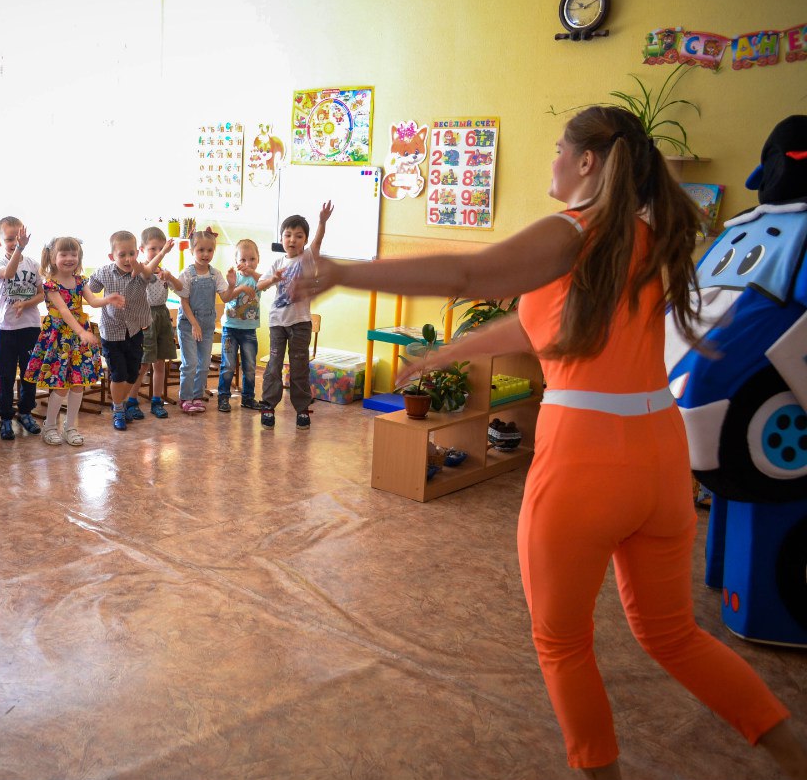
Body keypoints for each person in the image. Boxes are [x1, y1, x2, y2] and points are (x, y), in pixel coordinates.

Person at [296, 106, 807, 779]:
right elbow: (545, 326)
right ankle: (794, 754)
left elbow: (468, 278)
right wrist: (456, 348)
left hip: (583, 462)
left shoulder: (570, 231)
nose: (552, 163)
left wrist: (343, 271)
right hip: (659, 457)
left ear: (587, 161)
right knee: (673, 634)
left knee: (562, 642)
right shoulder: (650, 237)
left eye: (558, 150)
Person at [23, 236, 119, 446]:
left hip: (78, 340)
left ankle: (70, 427)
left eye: (73, 254)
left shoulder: (80, 281)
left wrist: (108, 299)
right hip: (59, 338)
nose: (69, 258)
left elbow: (93, 301)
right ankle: (49, 426)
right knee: (60, 386)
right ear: (52, 257)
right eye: (64, 254)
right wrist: (82, 333)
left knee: (78, 384)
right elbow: (65, 312)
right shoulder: (51, 285)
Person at [87, 230, 172, 430]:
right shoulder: (104, 272)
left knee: (132, 373)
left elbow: (149, 273)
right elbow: (89, 293)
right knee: (118, 374)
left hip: (135, 331)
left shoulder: (141, 272)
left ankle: (121, 402)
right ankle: (118, 409)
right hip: (112, 332)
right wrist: (106, 300)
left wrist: (161, 254)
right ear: (112, 256)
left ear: (137, 253)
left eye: (131, 254)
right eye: (122, 255)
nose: (127, 259)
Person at [260, 203, 331, 430]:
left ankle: (302, 409)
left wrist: (322, 221)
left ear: (305, 240)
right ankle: (268, 406)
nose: (292, 239)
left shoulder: (307, 259)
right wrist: (273, 279)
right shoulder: (278, 263)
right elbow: (260, 285)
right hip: (277, 324)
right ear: (281, 238)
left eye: (298, 236)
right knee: (274, 366)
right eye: (288, 235)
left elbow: (318, 241)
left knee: (299, 366)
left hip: (300, 324)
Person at [176, 227, 241, 413]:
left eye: (209, 250)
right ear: (192, 251)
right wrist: (194, 324)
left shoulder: (215, 274)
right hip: (189, 324)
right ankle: (185, 398)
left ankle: (197, 396)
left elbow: (226, 297)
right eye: (200, 250)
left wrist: (232, 284)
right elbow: (184, 302)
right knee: (190, 363)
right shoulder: (187, 274)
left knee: (204, 364)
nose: (205, 254)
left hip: (207, 324)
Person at [0, 217, 44, 440]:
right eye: (9, 239)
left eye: (18, 238)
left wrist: (26, 303)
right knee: (5, 375)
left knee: (29, 373)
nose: (14, 242)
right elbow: (10, 273)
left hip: (30, 326)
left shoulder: (32, 264)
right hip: (6, 328)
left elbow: (42, 293)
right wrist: (19, 249)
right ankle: (5, 417)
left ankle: (25, 412)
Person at [133, 227, 182, 419]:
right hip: (145, 316)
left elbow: (180, 289)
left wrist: (170, 277)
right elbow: (145, 275)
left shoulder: (163, 272)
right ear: (142, 249)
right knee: (143, 364)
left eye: (161, 248)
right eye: (153, 248)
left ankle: (156, 400)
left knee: (160, 364)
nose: (158, 252)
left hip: (162, 315)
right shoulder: (140, 270)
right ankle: (132, 400)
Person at [218, 238, 263, 413]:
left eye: (252, 259)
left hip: (249, 331)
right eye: (243, 260)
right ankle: (223, 397)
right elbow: (226, 298)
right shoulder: (232, 277)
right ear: (236, 261)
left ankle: (248, 398)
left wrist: (252, 273)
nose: (247, 263)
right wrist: (239, 287)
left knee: (250, 366)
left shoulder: (258, 279)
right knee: (228, 365)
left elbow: (266, 281)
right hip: (230, 329)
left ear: (258, 259)